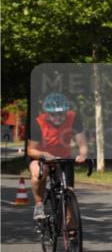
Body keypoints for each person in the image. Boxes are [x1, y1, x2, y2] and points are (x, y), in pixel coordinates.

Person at [26, 93, 88, 221]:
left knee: (69, 193)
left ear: (66, 111)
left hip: (63, 157)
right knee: (39, 173)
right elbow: (31, 150)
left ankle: (70, 233)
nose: (58, 117)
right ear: (46, 113)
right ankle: (39, 205)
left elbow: (82, 142)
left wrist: (83, 154)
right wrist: (45, 155)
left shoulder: (73, 118)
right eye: (53, 114)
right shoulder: (38, 123)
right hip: (40, 156)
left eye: (61, 114)